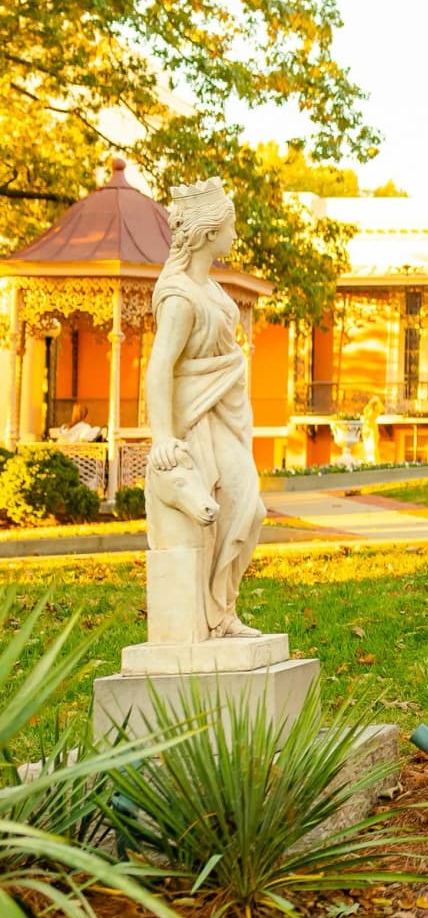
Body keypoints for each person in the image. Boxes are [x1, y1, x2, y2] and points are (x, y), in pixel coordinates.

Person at [145, 177, 266, 639]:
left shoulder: (212, 289)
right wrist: (163, 437)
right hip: (192, 417)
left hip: (221, 412)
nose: (235, 235)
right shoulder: (180, 296)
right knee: (228, 509)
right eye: (230, 226)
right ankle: (208, 617)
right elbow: (160, 367)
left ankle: (223, 610)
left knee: (249, 508)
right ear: (210, 231)